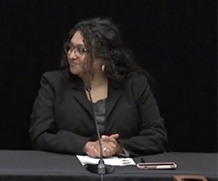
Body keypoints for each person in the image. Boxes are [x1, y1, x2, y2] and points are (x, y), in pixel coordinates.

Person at [29, 18, 168, 157]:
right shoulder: (53, 83)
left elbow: (157, 136)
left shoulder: (134, 84)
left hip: (124, 174)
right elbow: (40, 134)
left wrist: (118, 147)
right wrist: (85, 145)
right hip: (69, 170)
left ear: (104, 55)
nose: (71, 55)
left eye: (81, 50)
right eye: (70, 47)